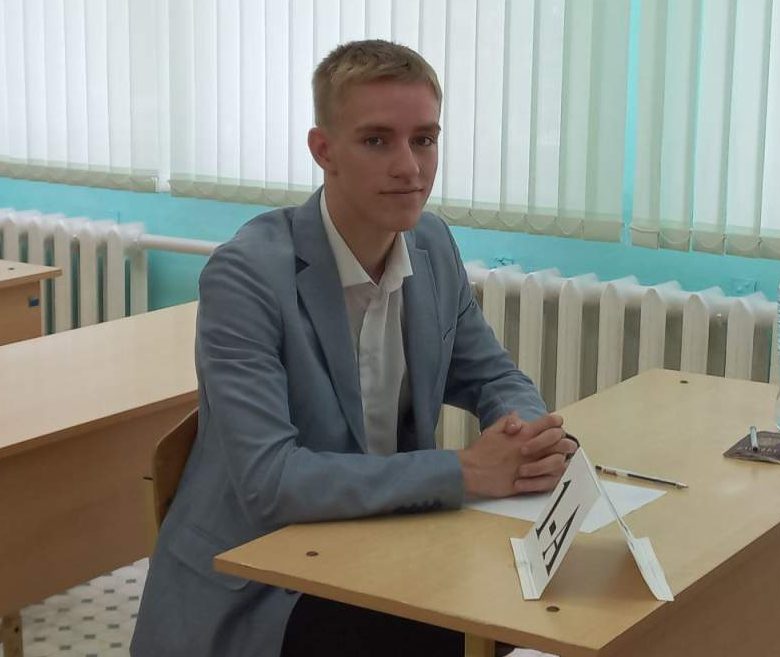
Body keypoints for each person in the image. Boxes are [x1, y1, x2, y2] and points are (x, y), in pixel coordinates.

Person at [131, 39, 576, 657]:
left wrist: (525, 439)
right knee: (481, 626)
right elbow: (271, 482)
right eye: (377, 141)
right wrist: (468, 470)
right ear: (324, 151)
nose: (409, 167)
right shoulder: (247, 275)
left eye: (424, 139)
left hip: (379, 545)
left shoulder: (432, 244)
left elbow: (491, 375)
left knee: (545, 602)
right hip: (264, 578)